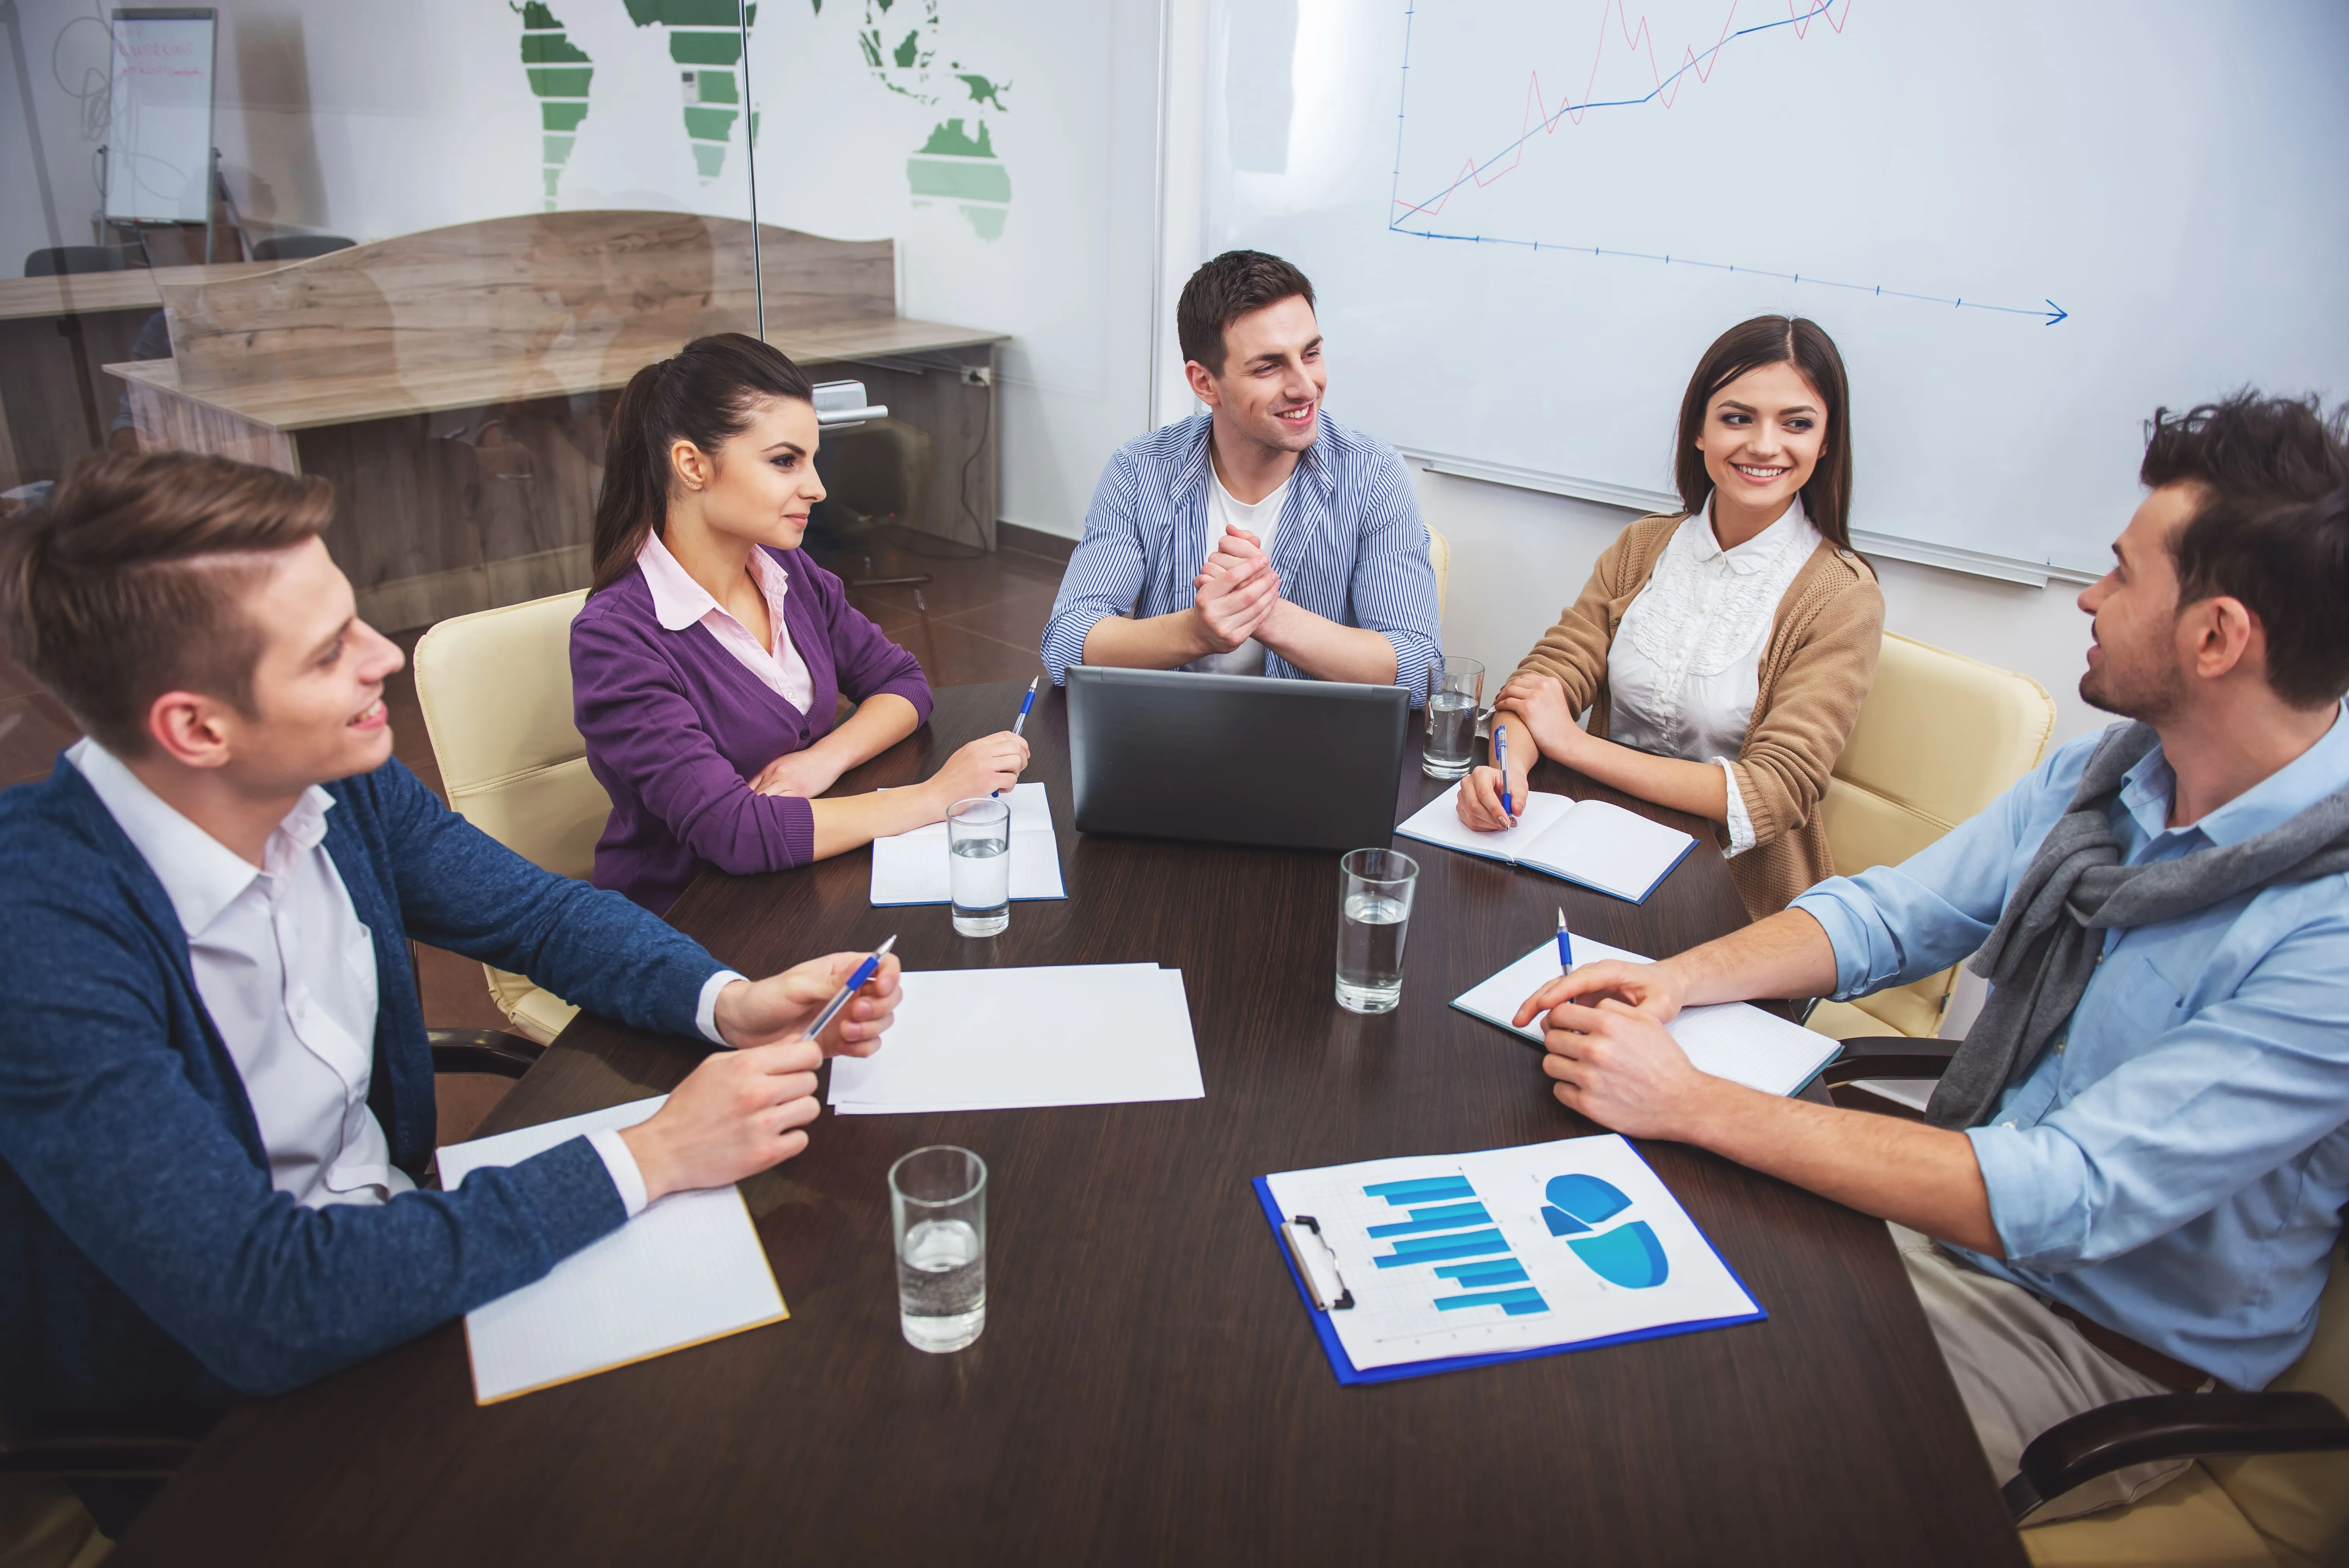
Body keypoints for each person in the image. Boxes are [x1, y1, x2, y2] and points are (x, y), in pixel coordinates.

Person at [0, 450, 904, 1538]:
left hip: (413, 1254)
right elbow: (264, 1304)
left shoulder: (342, 782)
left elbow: (541, 916)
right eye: (333, 651)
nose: (384, 658)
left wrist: (725, 998)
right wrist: (653, 1155)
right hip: (222, 1410)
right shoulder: (40, 934)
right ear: (196, 729)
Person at [1512, 392, 2349, 1523]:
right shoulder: (2116, 777)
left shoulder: (2328, 933)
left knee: (1679, 1465)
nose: (2091, 599)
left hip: (2088, 1344)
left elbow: (2069, 1193)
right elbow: (1890, 917)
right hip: (1939, 1236)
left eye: (2120, 575)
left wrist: (1696, 1103)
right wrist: (1680, 980)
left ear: (2217, 636)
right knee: (1572, 1345)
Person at [572, 333, 1029, 914]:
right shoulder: (616, 639)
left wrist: (824, 760)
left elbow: (903, 683)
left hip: (797, 888)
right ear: (692, 465)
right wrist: (936, 797)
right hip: (685, 924)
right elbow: (734, 833)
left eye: (812, 460)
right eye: (785, 461)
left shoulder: (786, 570)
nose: (817, 489)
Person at [1458, 316, 1884, 917]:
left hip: (1735, 898)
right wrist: (1507, 769)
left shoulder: (1843, 596)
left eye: (1796, 423)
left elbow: (1773, 791)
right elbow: (1546, 681)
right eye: (1738, 418)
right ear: (1699, 433)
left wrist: (1574, 747)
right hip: (1588, 855)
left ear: (1826, 442)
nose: (1764, 445)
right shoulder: (1644, 547)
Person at [1038, 250, 1440, 696]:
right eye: (1268, 366)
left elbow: (1420, 668)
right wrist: (1196, 632)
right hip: (1168, 736)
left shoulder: (1372, 475)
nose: (1305, 387)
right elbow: (1066, 642)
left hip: (1313, 747)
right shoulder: (1139, 469)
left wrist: (1266, 613)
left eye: (1310, 354)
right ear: (1204, 383)